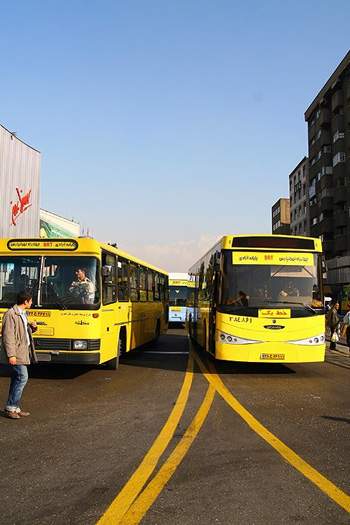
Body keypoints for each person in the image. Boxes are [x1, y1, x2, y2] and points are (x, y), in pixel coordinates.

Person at [2, 291, 37, 419]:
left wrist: (32, 327)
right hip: (16, 352)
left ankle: (15, 407)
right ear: (26, 301)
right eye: (31, 301)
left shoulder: (23, 314)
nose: (32, 303)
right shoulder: (11, 314)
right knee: (23, 377)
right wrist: (11, 355)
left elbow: (23, 331)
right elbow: (8, 336)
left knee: (17, 378)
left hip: (23, 351)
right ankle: (10, 407)